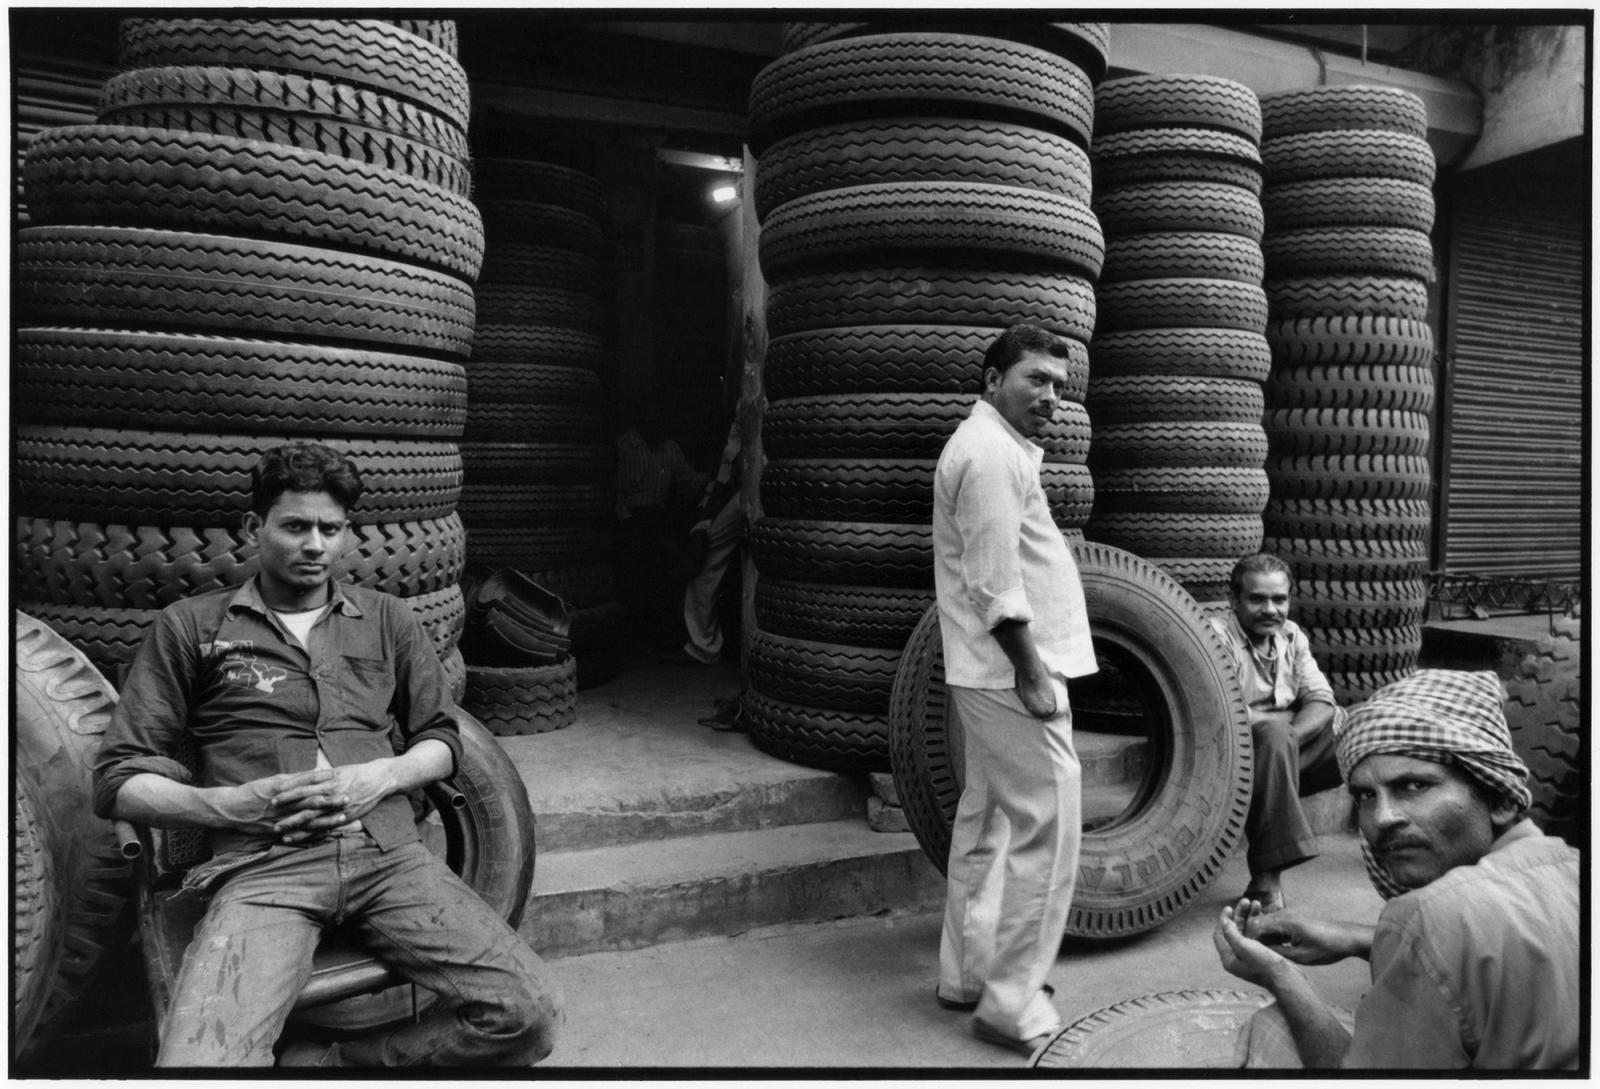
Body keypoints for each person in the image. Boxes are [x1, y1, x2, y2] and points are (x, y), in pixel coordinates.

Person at [91, 442, 562, 1068]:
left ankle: (335, 1069)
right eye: (295, 526)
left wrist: (384, 776)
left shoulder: (388, 620)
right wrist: (231, 806)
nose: (315, 544)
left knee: (529, 1014)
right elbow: (118, 781)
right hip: (265, 872)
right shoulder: (190, 627)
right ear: (254, 528)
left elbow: (443, 741)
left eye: (330, 529)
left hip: (390, 859)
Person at [1213, 669, 1580, 1069]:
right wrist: (1355, 939)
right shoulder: (1575, 869)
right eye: (1367, 795)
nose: (1382, 818)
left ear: (1499, 799)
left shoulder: (1428, 917)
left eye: (1414, 786)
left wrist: (1283, 978)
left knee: (1269, 1027)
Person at [931, 324, 1098, 1058]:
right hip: (1009, 673)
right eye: (1036, 379)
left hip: (987, 670)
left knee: (988, 819)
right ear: (994, 378)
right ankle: (1010, 999)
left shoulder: (994, 447)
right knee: (1049, 820)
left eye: (1060, 386)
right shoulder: (992, 454)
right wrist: (1033, 673)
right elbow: (995, 585)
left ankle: (968, 975)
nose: (1051, 397)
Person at [1209, 554, 1345, 913]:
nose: (1271, 609)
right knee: (1271, 736)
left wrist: (1292, 736)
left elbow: (1322, 700)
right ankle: (1267, 877)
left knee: (1362, 727)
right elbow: (1225, 711)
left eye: (1279, 599)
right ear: (1234, 601)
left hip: (1284, 746)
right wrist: (1280, 733)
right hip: (1231, 752)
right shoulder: (1215, 635)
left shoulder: (1291, 635)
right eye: (1257, 599)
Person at [613, 398, 706, 650]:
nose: (656, 423)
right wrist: (627, 524)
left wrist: (716, 480)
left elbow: (689, 480)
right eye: (650, 417)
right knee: (635, 576)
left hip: (657, 520)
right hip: (631, 521)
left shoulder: (670, 449)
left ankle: (661, 638)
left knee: (668, 570)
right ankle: (635, 639)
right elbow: (614, 492)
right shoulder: (624, 447)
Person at [675, 417, 742, 666]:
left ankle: (704, 646)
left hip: (750, 492)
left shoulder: (749, 399)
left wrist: (707, 518)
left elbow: (729, 466)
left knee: (704, 559)